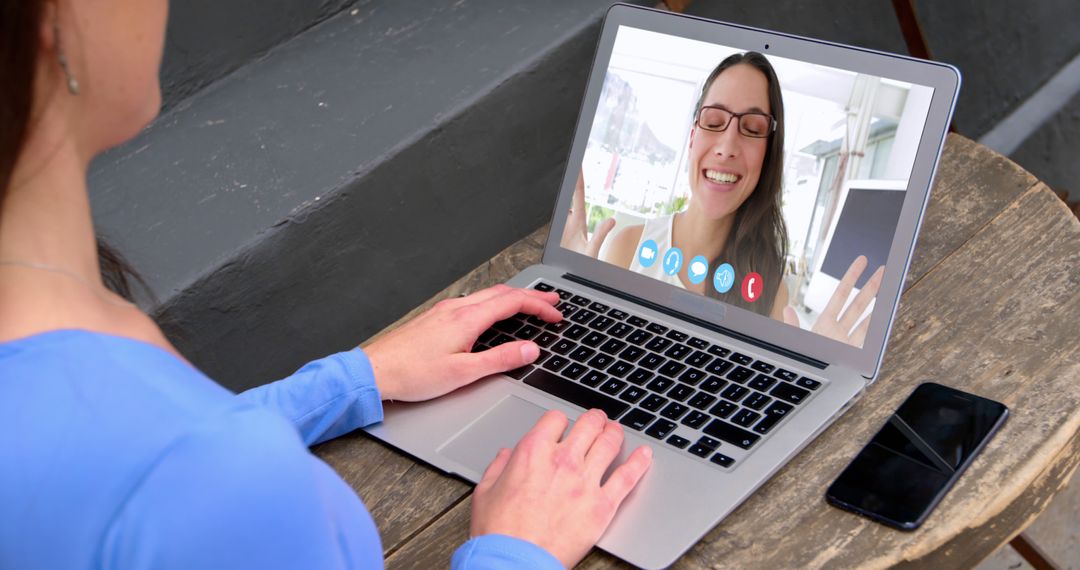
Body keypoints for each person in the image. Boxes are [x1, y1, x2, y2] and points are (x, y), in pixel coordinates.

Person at [0, 1, 652, 569]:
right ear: (54, 19)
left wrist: (350, 381)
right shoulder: (220, 488)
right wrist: (516, 552)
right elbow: (175, 487)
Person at [561, 52, 884, 347]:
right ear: (692, 138)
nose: (727, 146)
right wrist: (574, 297)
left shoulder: (770, 290)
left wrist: (817, 365)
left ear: (767, 156)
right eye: (714, 122)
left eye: (752, 128)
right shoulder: (626, 248)